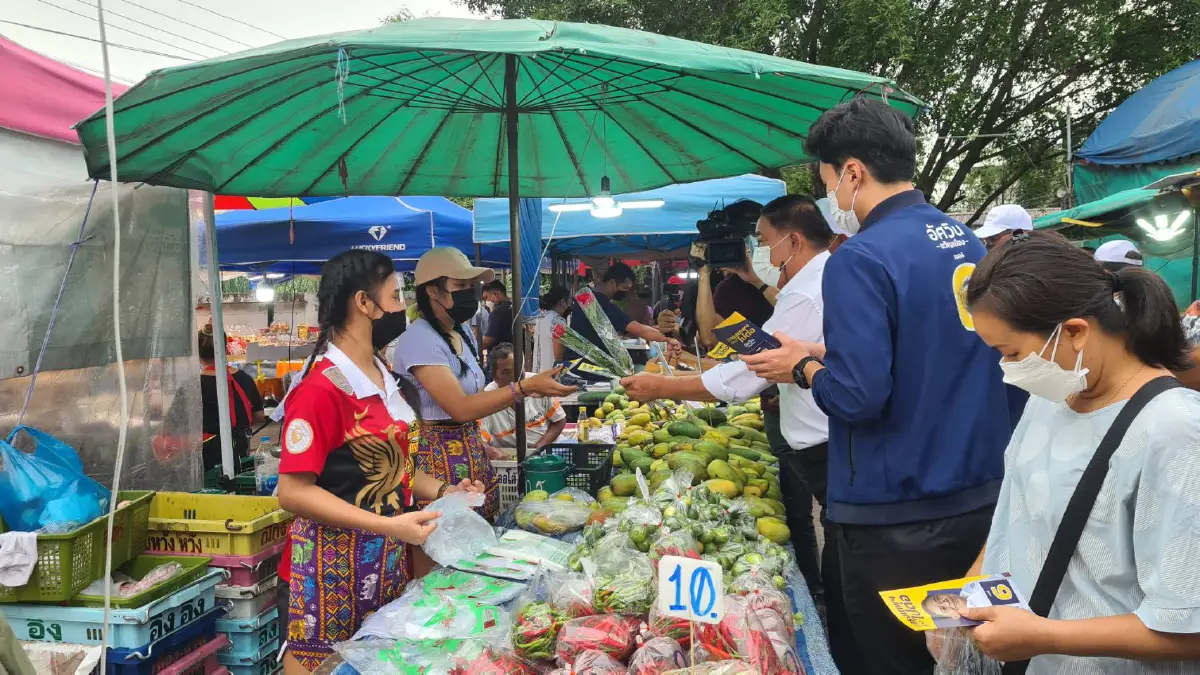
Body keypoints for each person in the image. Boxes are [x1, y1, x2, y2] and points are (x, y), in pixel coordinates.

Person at [741, 97, 1012, 675]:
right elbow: (931, 348)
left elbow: (858, 398)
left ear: (854, 171)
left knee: (884, 660)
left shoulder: (859, 258)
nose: (831, 198)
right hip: (976, 501)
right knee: (955, 657)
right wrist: (824, 351)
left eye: (828, 181)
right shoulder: (962, 239)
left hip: (896, 517)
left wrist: (801, 368)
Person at [955, 231, 1200, 673]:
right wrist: (972, 587)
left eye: (1010, 352)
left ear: (1074, 332)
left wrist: (1041, 636)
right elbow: (1017, 509)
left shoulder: (1174, 430)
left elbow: (1189, 626)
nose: (1007, 368)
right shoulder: (1055, 391)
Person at [275, 250, 485, 673]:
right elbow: (292, 492)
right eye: (394, 296)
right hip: (325, 574)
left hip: (383, 564)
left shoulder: (382, 373)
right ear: (363, 304)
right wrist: (388, 525)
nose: (402, 307)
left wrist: (445, 492)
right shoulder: (321, 390)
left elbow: (396, 467)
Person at [620, 194, 830, 612]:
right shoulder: (813, 281)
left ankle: (827, 603)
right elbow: (713, 340)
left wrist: (661, 388)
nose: (760, 251)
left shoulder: (805, 292)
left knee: (830, 535)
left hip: (826, 441)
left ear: (792, 240)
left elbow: (750, 371)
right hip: (813, 429)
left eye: (763, 240)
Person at [392, 248, 575, 573]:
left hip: (471, 455)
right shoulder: (419, 339)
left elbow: (477, 398)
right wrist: (524, 388)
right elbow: (459, 407)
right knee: (439, 556)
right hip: (434, 463)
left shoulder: (461, 332)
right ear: (432, 290)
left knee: (473, 561)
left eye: (472, 285)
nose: (471, 293)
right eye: (461, 286)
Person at [566, 261, 681, 360]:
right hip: (584, 367)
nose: (626, 293)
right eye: (625, 288)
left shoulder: (585, 297)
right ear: (612, 283)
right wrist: (667, 339)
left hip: (576, 359)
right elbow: (640, 330)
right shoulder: (602, 304)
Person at [198, 324, 264, 472]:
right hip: (240, 453)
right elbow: (259, 415)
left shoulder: (193, 386)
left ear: (198, 353)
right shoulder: (245, 378)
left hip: (207, 459)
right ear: (226, 349)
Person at [481, 343, 567, 454]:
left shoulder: (537, 383)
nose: (514, 378)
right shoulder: (488, 397)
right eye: (506, 373)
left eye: (518, 370)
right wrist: (493, 453)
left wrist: (540, 446)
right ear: (494, 376)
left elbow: (559, 420)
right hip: (508, 457)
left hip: (543, 452)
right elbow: (480, 440)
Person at [532, 285, 571, 374]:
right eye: (569, 302)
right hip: (551, 375)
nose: (569, 306)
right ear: (562, 302)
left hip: (537, 374)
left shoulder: (540, 318)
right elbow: (559, 356)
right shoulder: (558, 322)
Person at [481, 279, 513, 350]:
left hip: (499, 357)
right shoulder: (511, 307)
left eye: (486, 297)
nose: (487, 301)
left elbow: (486, 342)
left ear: (496, 294)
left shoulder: (498, 312)